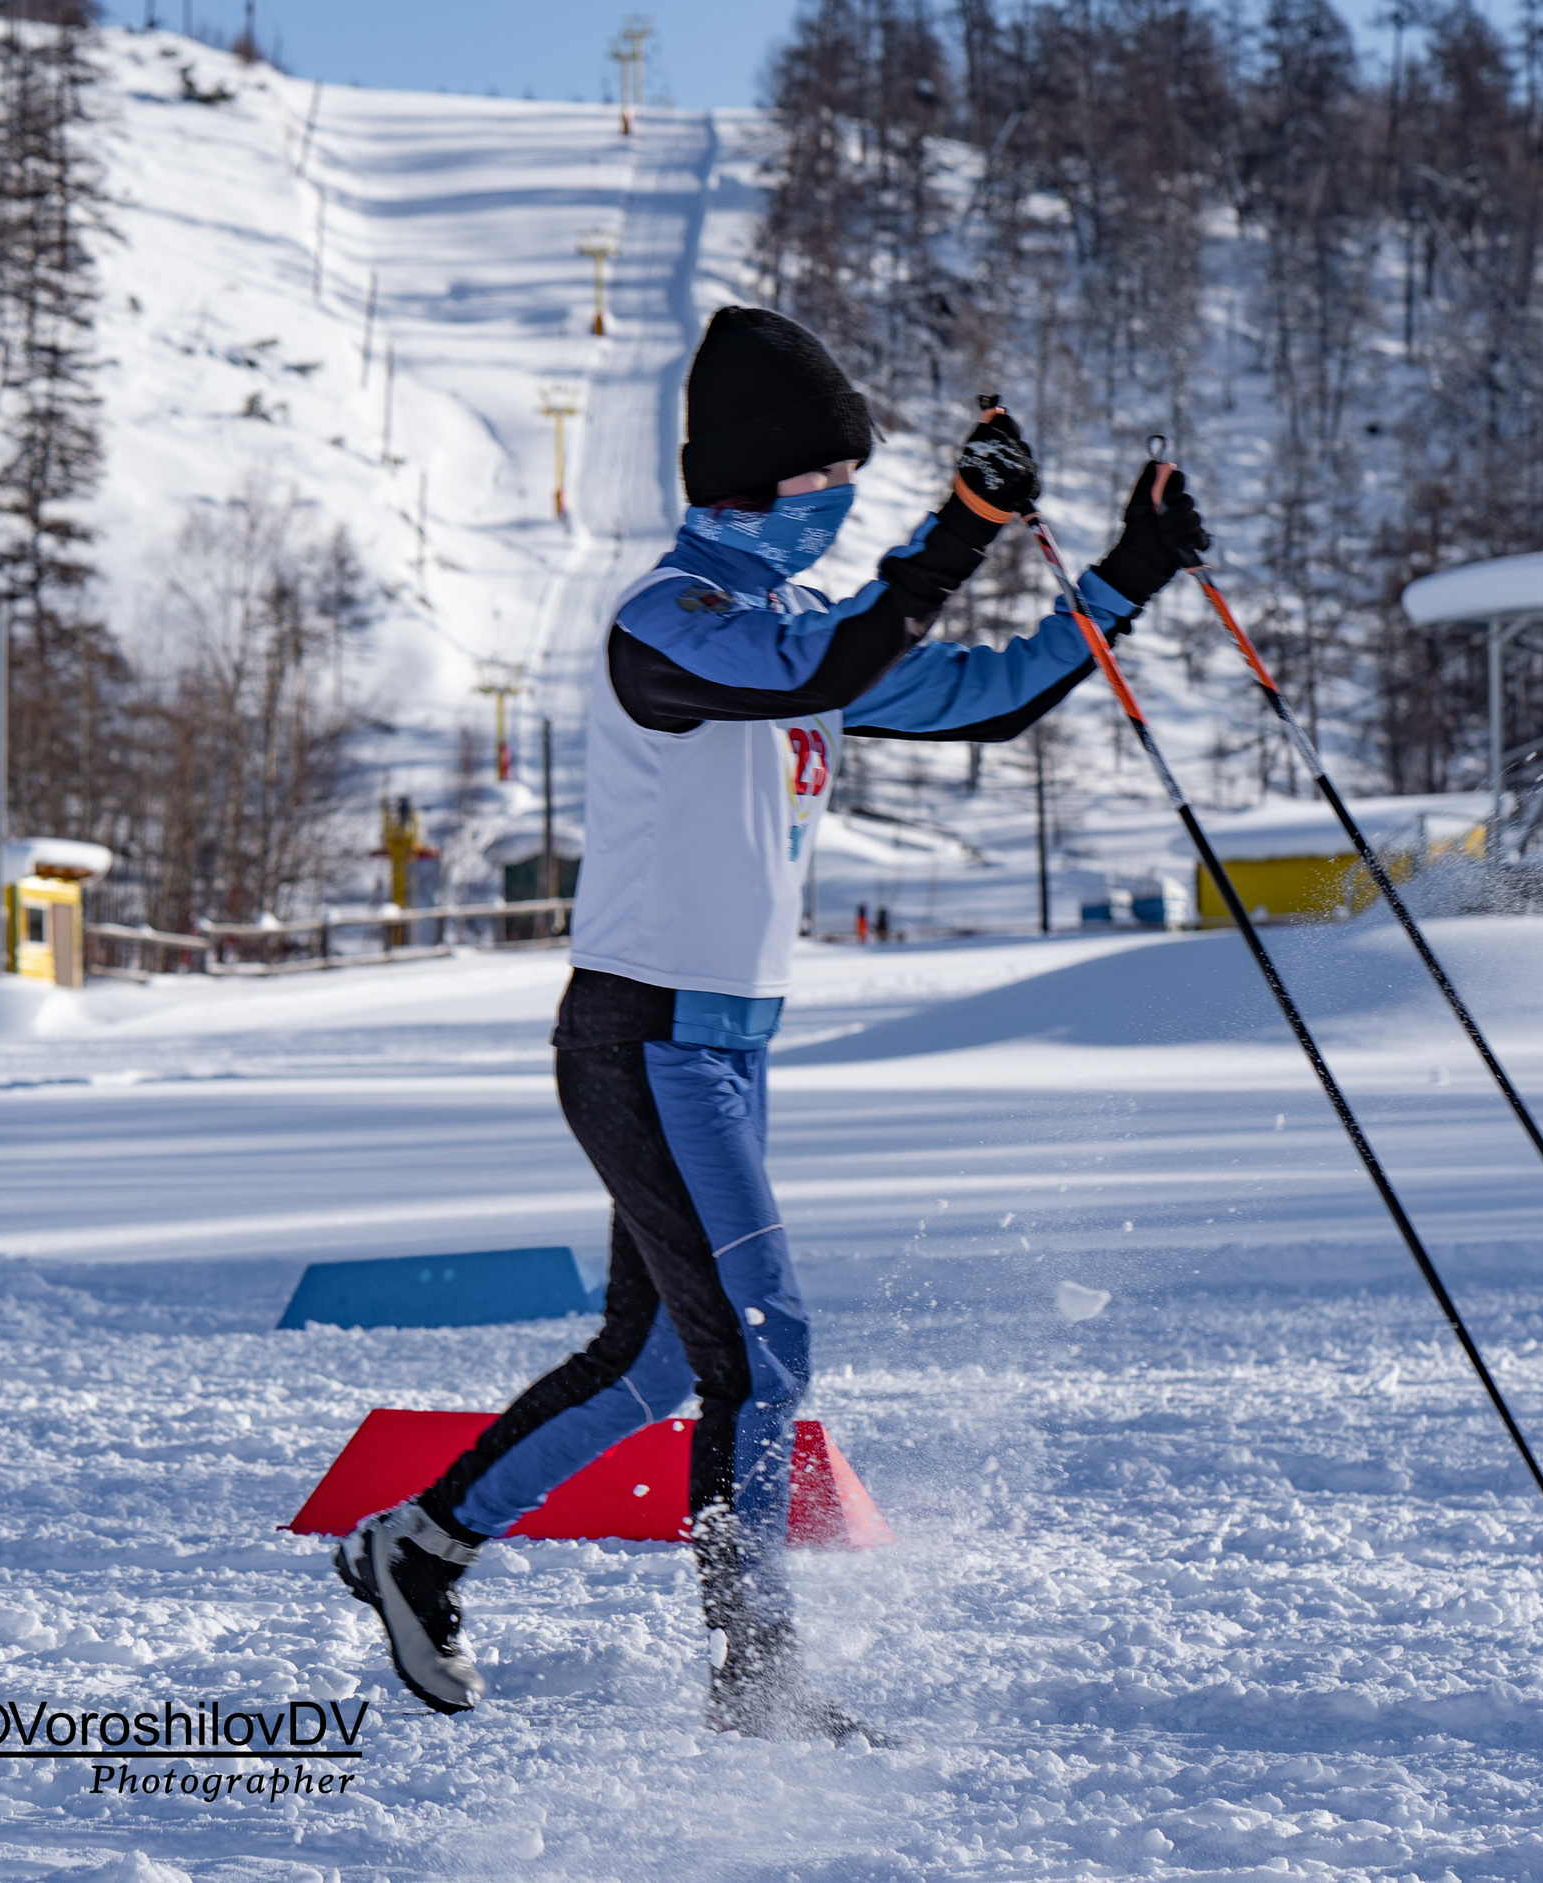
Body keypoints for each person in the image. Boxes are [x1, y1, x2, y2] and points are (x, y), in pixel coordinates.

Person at [335, 306, 1206, 1739]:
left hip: (721, 1052)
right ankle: (760, 1679)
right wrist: (958, 530)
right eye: (834, 483)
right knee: (761, 1349)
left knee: (669, 1361)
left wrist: (1133, 571)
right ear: (769, 484)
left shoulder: (813, 633)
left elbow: (987, 698)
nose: (847, 505)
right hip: (649, 1040)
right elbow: (835, 663)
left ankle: (420, 1547)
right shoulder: (668, 624)